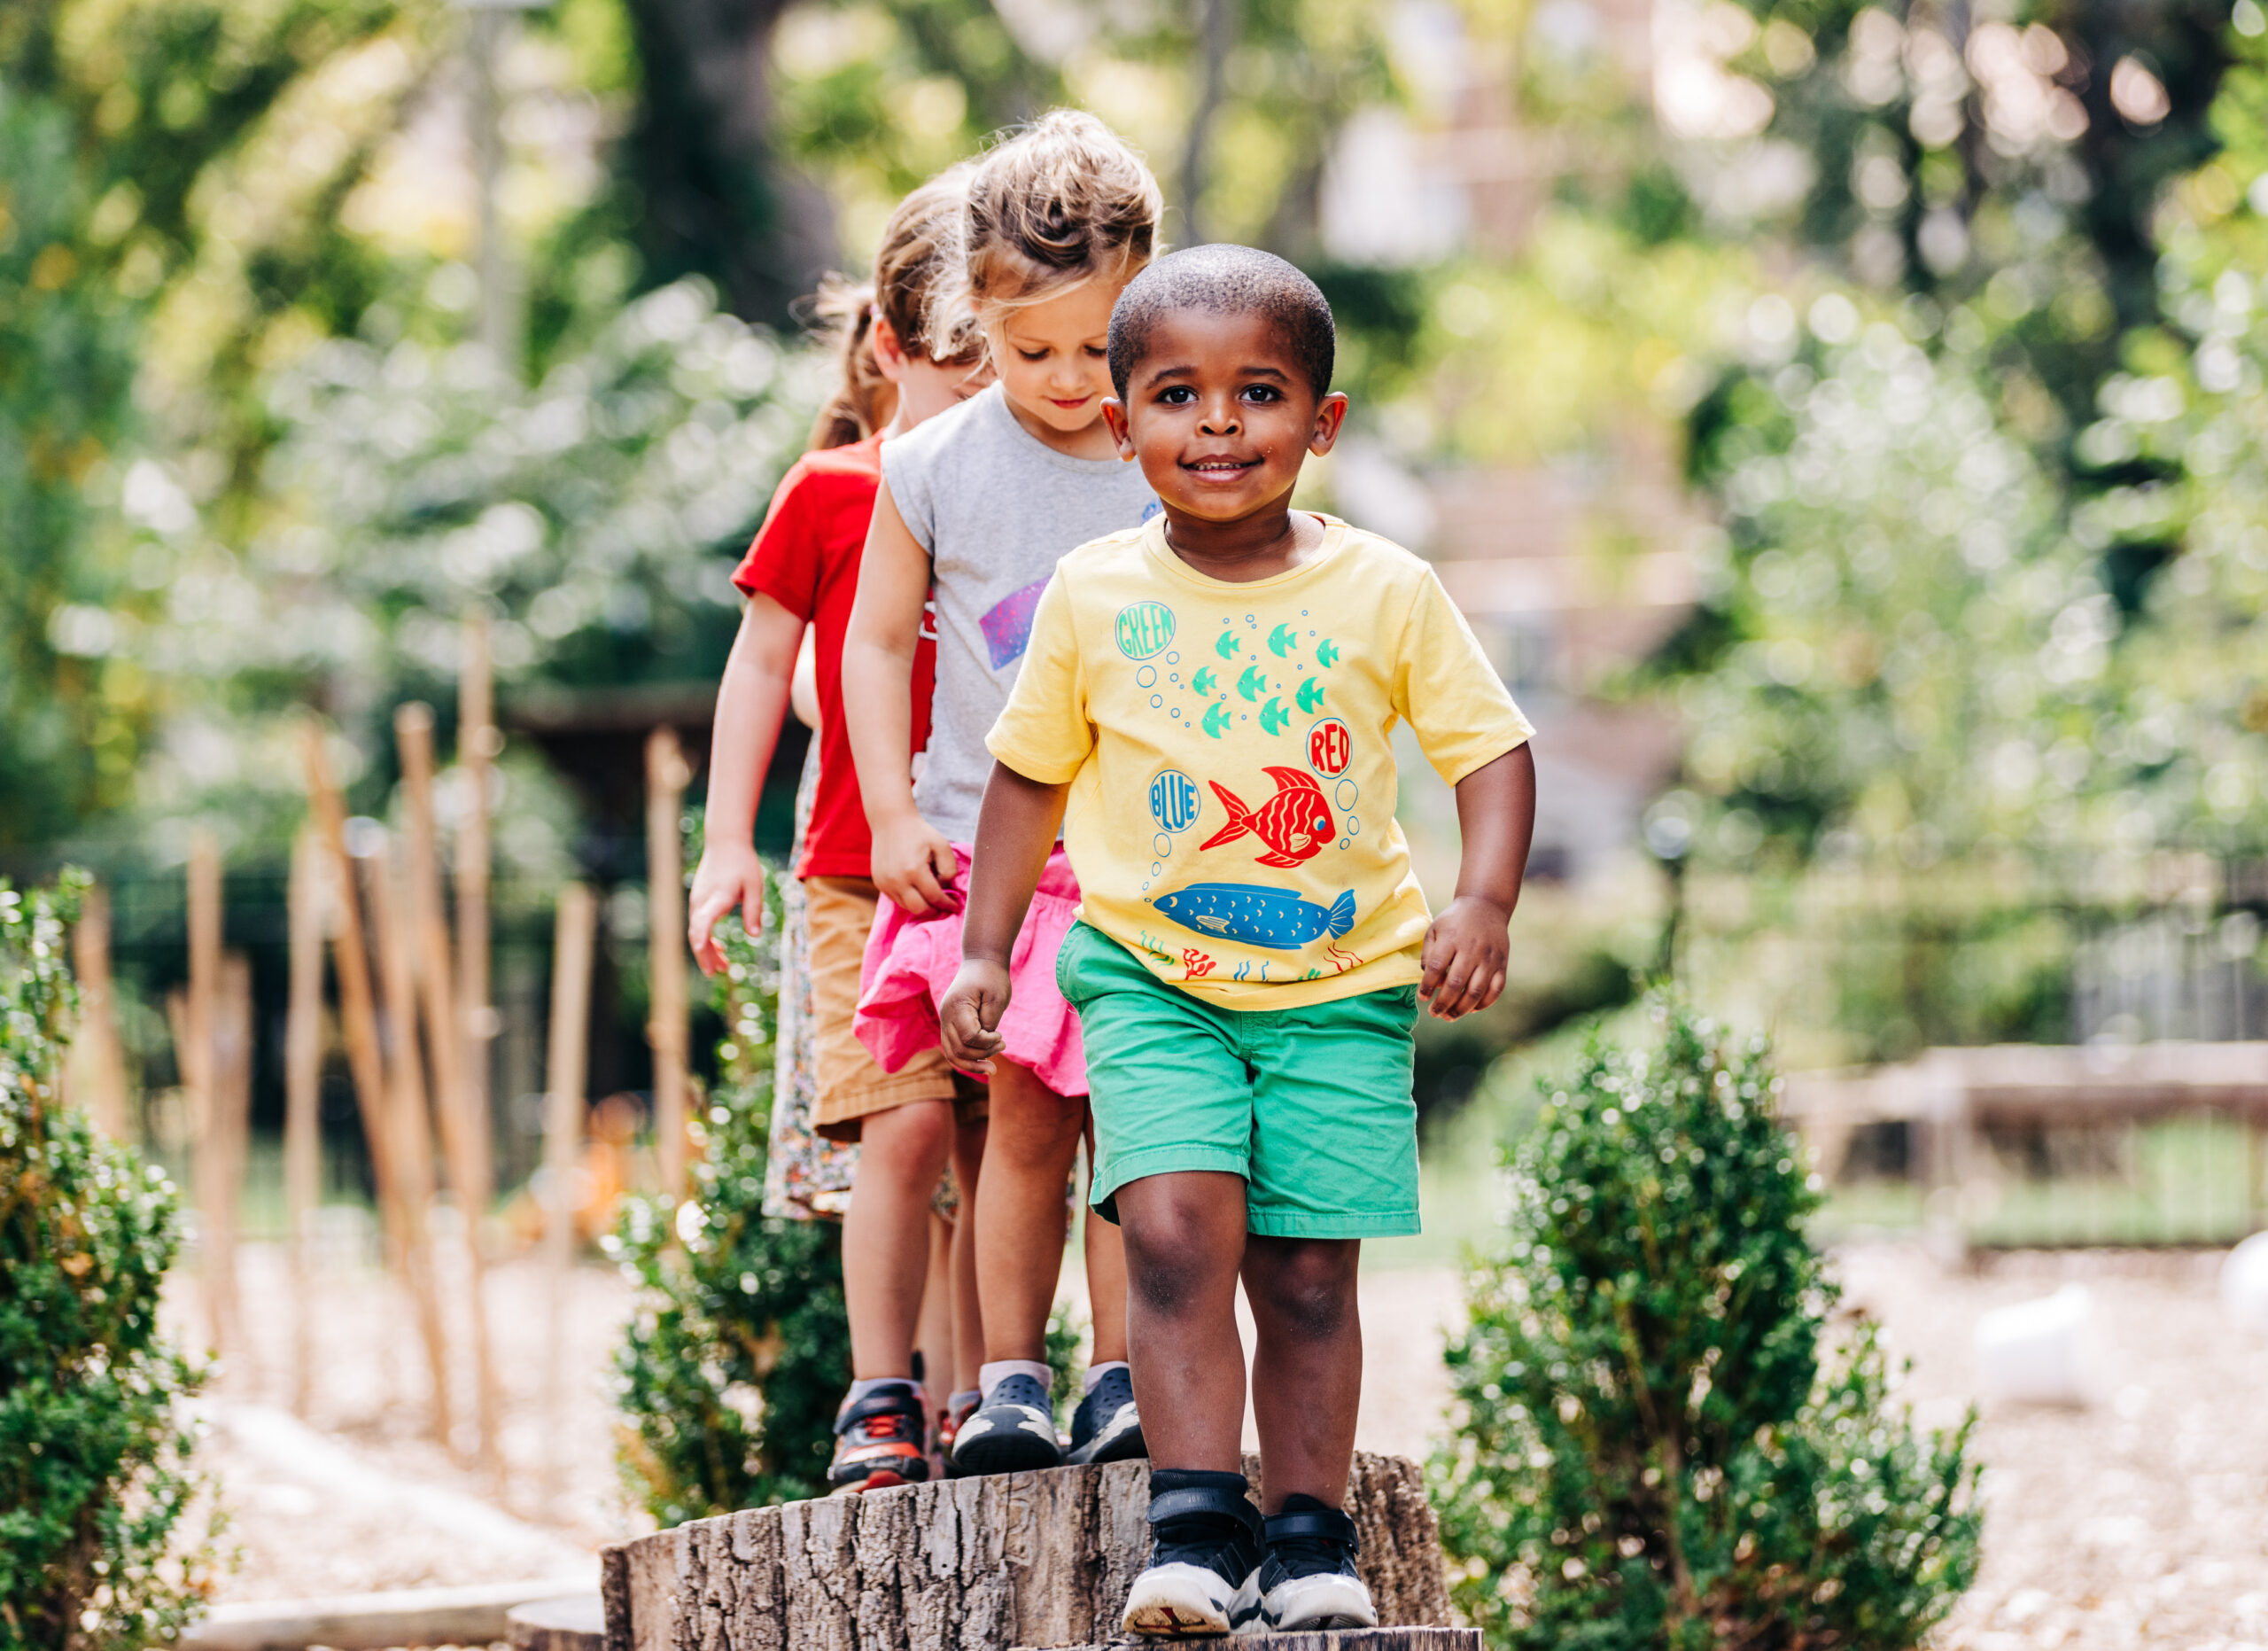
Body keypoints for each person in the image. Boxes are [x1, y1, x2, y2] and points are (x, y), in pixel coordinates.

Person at [937, 245, 1538, 1635]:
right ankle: (1196, 1530)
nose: (1217, 426)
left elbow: (1489, 749)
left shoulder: (1385, 589)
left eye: (1257, 393)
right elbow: (1025, 776)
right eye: (1177, 396)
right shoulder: (1093, 593)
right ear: (1121, 419)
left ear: (1319, 424)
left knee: (1311, 1270)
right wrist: (981, 951)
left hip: (1342, 990)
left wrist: (1483, 900)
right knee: (1170, 1231)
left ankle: (1312, 1542)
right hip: (1152, 978)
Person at [842, 110, 1164, 1477]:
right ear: (977, 314)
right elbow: (870, 642)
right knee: (1022, 1121)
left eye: (1100, 347)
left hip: (1151, 861)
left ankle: (1124, 1376)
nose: (1071, 379)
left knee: (1138, 1127)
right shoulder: (932, 467)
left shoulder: (1173, 457)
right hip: (1000, 858)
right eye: (1035, 351)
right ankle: (1009, 1383)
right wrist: (894, 816)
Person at [687, 168, 993, 1492]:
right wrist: (723, 842)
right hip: (856, 879)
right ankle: (884, 1395)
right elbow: (761, 667)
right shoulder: (831, 492)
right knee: (901, 1130)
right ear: (889, 346)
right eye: (967, 361)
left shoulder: (1046, 499)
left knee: (1000, 1140)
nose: (993, 394)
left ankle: (993, 1392)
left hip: (1010, 880)